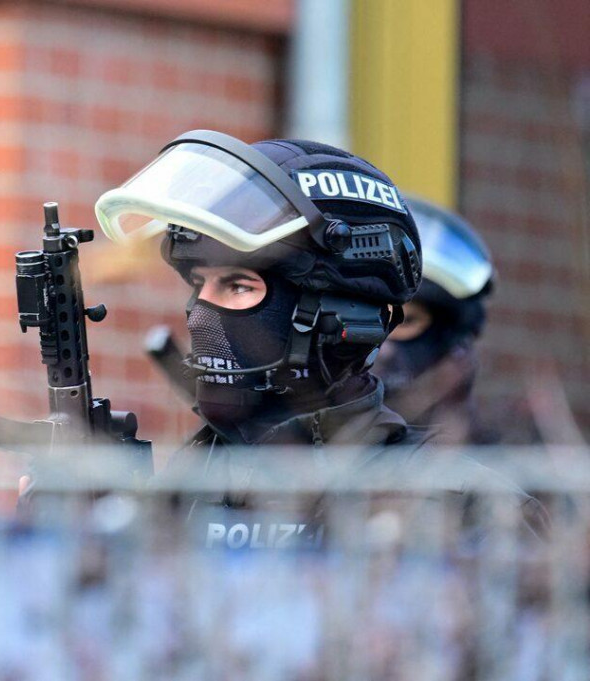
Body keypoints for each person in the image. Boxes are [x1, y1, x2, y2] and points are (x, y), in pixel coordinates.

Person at [92, 130, 546, 547]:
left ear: (337, 314)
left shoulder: (467, 509)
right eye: (198, 284)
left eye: (238, 286)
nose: (199, 314)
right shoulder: (194, 479)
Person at [371, 196, 495, 444]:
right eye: (370, 318)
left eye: (404, 321)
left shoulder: (491, 471)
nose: (381, 349)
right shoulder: (285, 449)